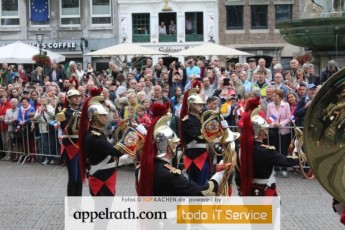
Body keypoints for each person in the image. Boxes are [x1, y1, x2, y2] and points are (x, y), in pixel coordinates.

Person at [136, 102, 226, 196]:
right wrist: (220, 175)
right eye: (175, 142)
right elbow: (203, 192)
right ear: (168, 145)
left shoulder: (140, 168)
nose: (177, 143)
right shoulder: (171, 174)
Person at [238, 97, 298, 196]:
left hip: (247, 192)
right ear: (261, 132)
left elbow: (237, 175)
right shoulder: (266, 151)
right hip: (265, 191)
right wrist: (297, 151)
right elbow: (288, 161)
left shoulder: (240, 149)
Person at [78, 88, 123, 196]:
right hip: (102, 179)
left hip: (105, 176)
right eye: (103, 115)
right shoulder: (94, 137)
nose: (106, 117)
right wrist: (131, 138)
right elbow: (115, 151)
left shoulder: (97, 133)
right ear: (96, 118)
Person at [56, 76, 82, 196]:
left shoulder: (83, 111)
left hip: (81, 146)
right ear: (69, 98)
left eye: (79, 96)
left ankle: (79, 201)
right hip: (70, 145)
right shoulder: (63, 112)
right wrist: (75, 117)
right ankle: (72, 203)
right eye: (75, 97)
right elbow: (66, 130)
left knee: (80, 177)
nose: (77, 99)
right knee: (73, 177)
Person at [181, 93, 209, 186]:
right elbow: (197, 135)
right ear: (192, 105)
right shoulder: (188, 120)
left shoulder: (201, 118)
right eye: (198, 104)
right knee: (196, 185)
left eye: (201, 104)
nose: (201, 106)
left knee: (203, 183)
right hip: (195, 156)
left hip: (204, 154)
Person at [266, 90, 292, 177]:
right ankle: (276, 168)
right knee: (274, 149)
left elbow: (288, 118)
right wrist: (273, 124)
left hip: (284, 130)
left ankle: (284, 168)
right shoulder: (270, 105)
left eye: (275, 96)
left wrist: (281, 124)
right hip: (273, 130)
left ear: (280, 97)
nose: (273, 97)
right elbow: (268, 118)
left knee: (284, 150)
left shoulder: (286, 105)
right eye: (273, 96)